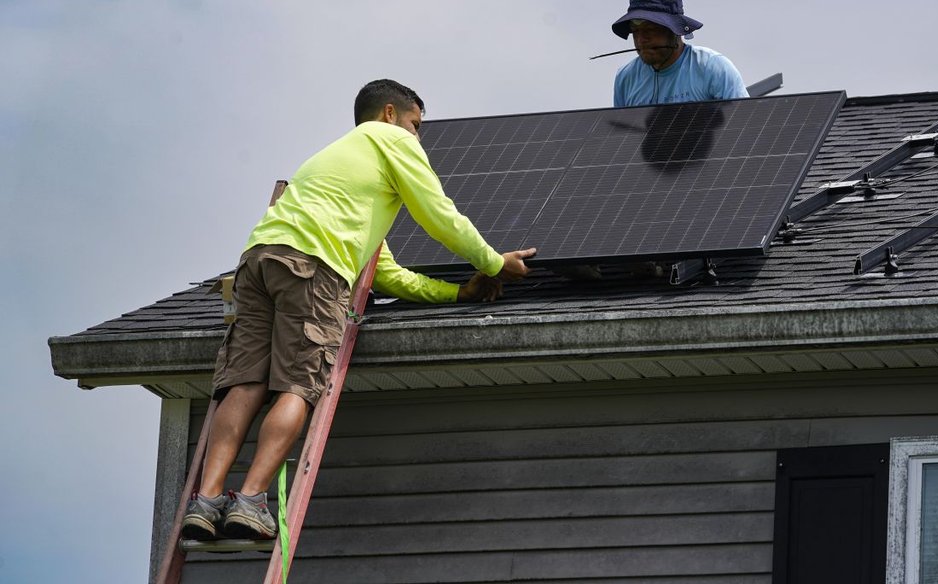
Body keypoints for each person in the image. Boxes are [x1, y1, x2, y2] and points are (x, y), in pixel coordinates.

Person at [181, 79, 537, 541]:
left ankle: (206, 501)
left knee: (245, 382)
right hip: (314, 268)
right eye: (416, 124)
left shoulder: (335, 169)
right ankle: (249, 501)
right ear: (390, 113)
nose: (417, 137)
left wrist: (456, 295)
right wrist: (493, 262)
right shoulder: (389, 139)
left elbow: (384, 274)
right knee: (298, 383)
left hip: (258, 259)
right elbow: (437, 213)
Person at [612, 0, 748, 107]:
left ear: (675, 30)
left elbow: (743, 127)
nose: (641, 39)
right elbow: (625, 139)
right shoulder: (625, 77)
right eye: (635, 31)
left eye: (651, 29)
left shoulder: (713, 68)